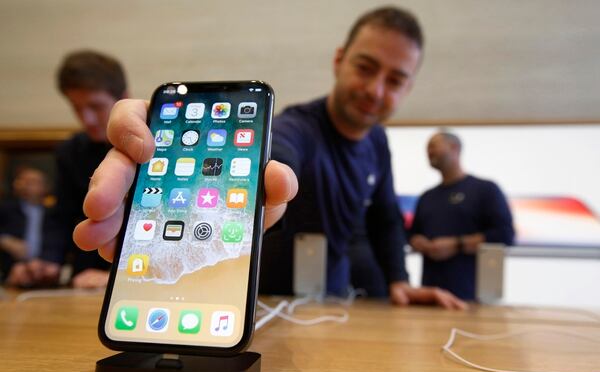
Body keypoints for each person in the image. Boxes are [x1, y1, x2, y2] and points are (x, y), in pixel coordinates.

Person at [73, 6, 466, 309]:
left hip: (335, 304)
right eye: (365, 68)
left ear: (409, 87)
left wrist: (399, 281)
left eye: (395, 80)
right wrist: (178, 160)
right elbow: (272, 157)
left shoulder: (377, 140)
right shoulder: (297, 127)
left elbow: (384, 217)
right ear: (339, 60)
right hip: (268, 306)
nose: (376, 90)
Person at [409, 130, 515, 300]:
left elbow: (504, 235)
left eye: (433, 146)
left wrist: (456, 244)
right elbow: (412, 233)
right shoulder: (427, 197)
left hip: (473, 296)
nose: (429, 152)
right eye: (426, 148)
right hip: (432, 295)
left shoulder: (485, 190)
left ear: (454, 147)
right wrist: (416, 241)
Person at [55, 50, 128, 288]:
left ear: (124, 99)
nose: (86, 119)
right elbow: (62, 219)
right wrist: (48, 265)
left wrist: (117, 277)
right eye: (76, 108)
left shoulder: (152, 145)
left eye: (95, 106)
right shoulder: (69, 151)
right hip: (82, 279)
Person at [0, 167, 64, 287]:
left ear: (45, 188)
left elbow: (59, 243)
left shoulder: (54, 214)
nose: (24, 185)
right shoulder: (5, 209)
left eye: (32, 182)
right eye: (21, 180)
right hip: (11, 273)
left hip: (45, 271)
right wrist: (4, 240)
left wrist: (44, 263)